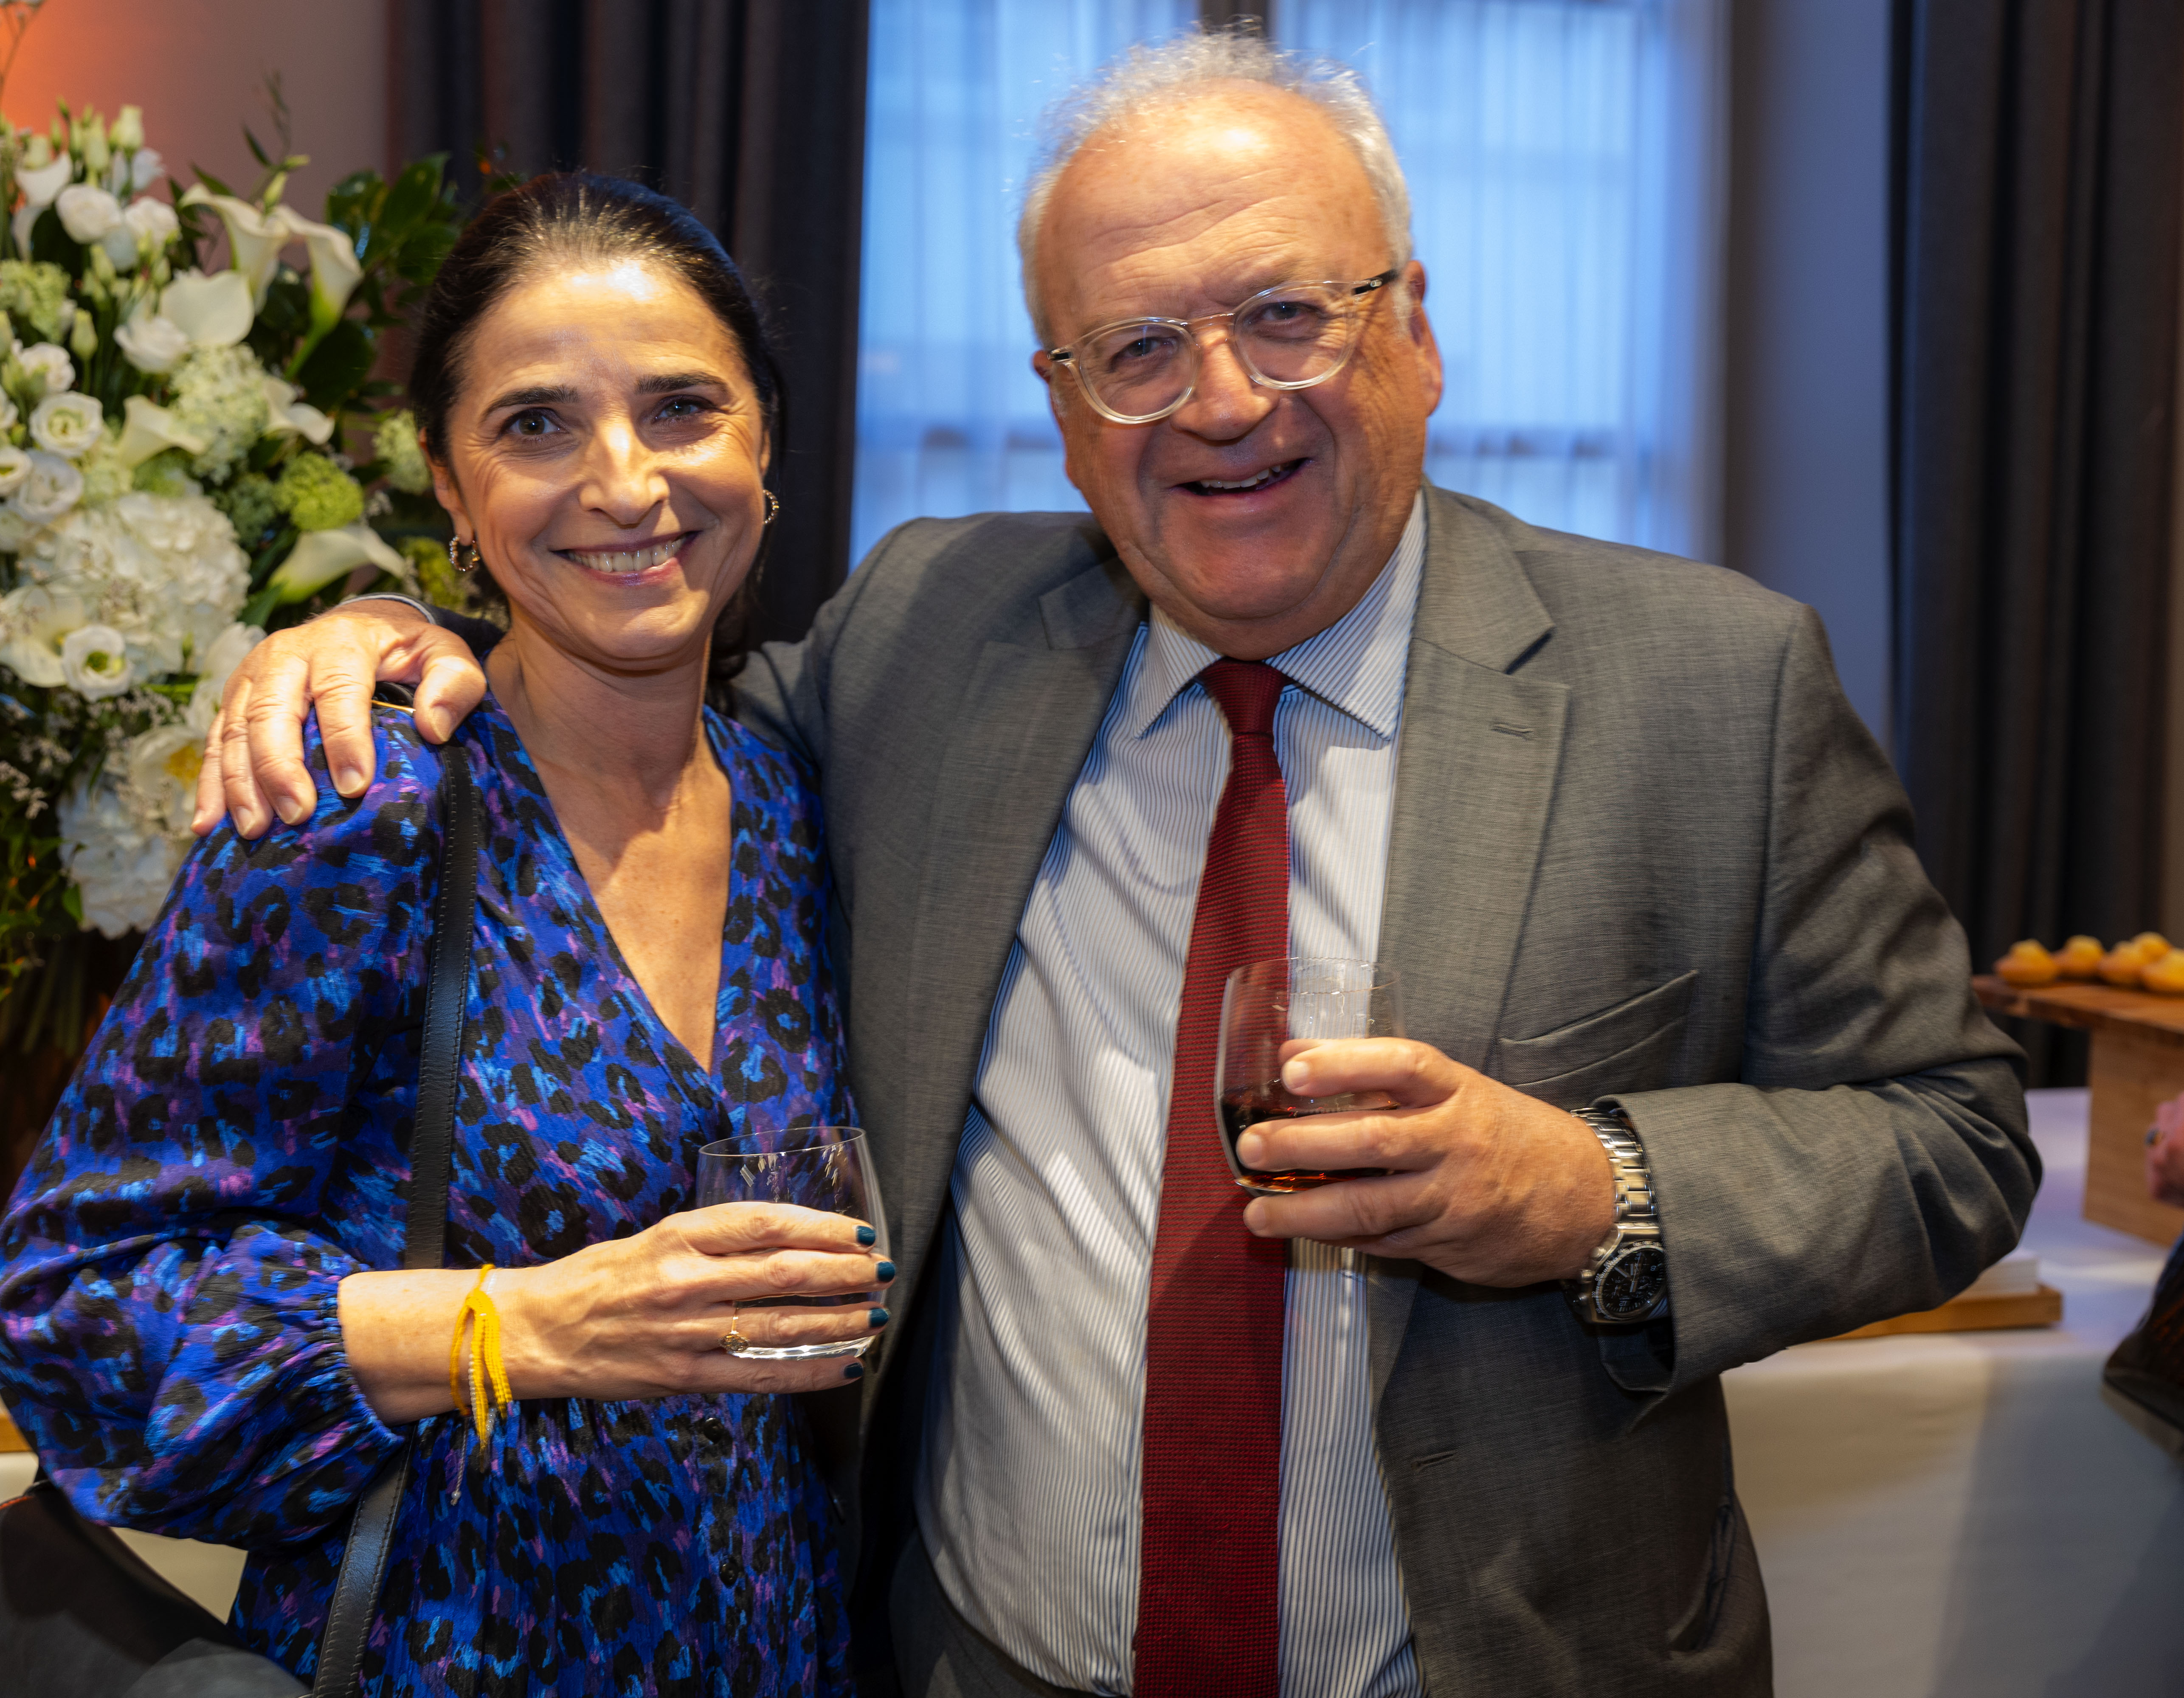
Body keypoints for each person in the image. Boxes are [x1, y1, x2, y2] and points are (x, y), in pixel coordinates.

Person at [196, 35, 2036, 1698]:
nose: (1221, 402)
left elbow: (1955, 1132)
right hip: (979, 1660)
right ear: (1066, 409)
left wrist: (1593, 1192)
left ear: (1418, 329)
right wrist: (375, 630)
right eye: (1137, 349)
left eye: (1289, 315)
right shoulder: (931, 631)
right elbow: (616, 685)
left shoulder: (1707, 683)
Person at [0, 173, 887, 1696]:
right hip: (448, 1651)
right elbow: (72, 1308)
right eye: (536, 425)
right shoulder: (359, 802)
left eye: (682, 409)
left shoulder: (803, 800)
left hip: (780, 1651)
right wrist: (522, 1327)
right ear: (451, 488)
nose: (623, 482)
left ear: (764, 442)